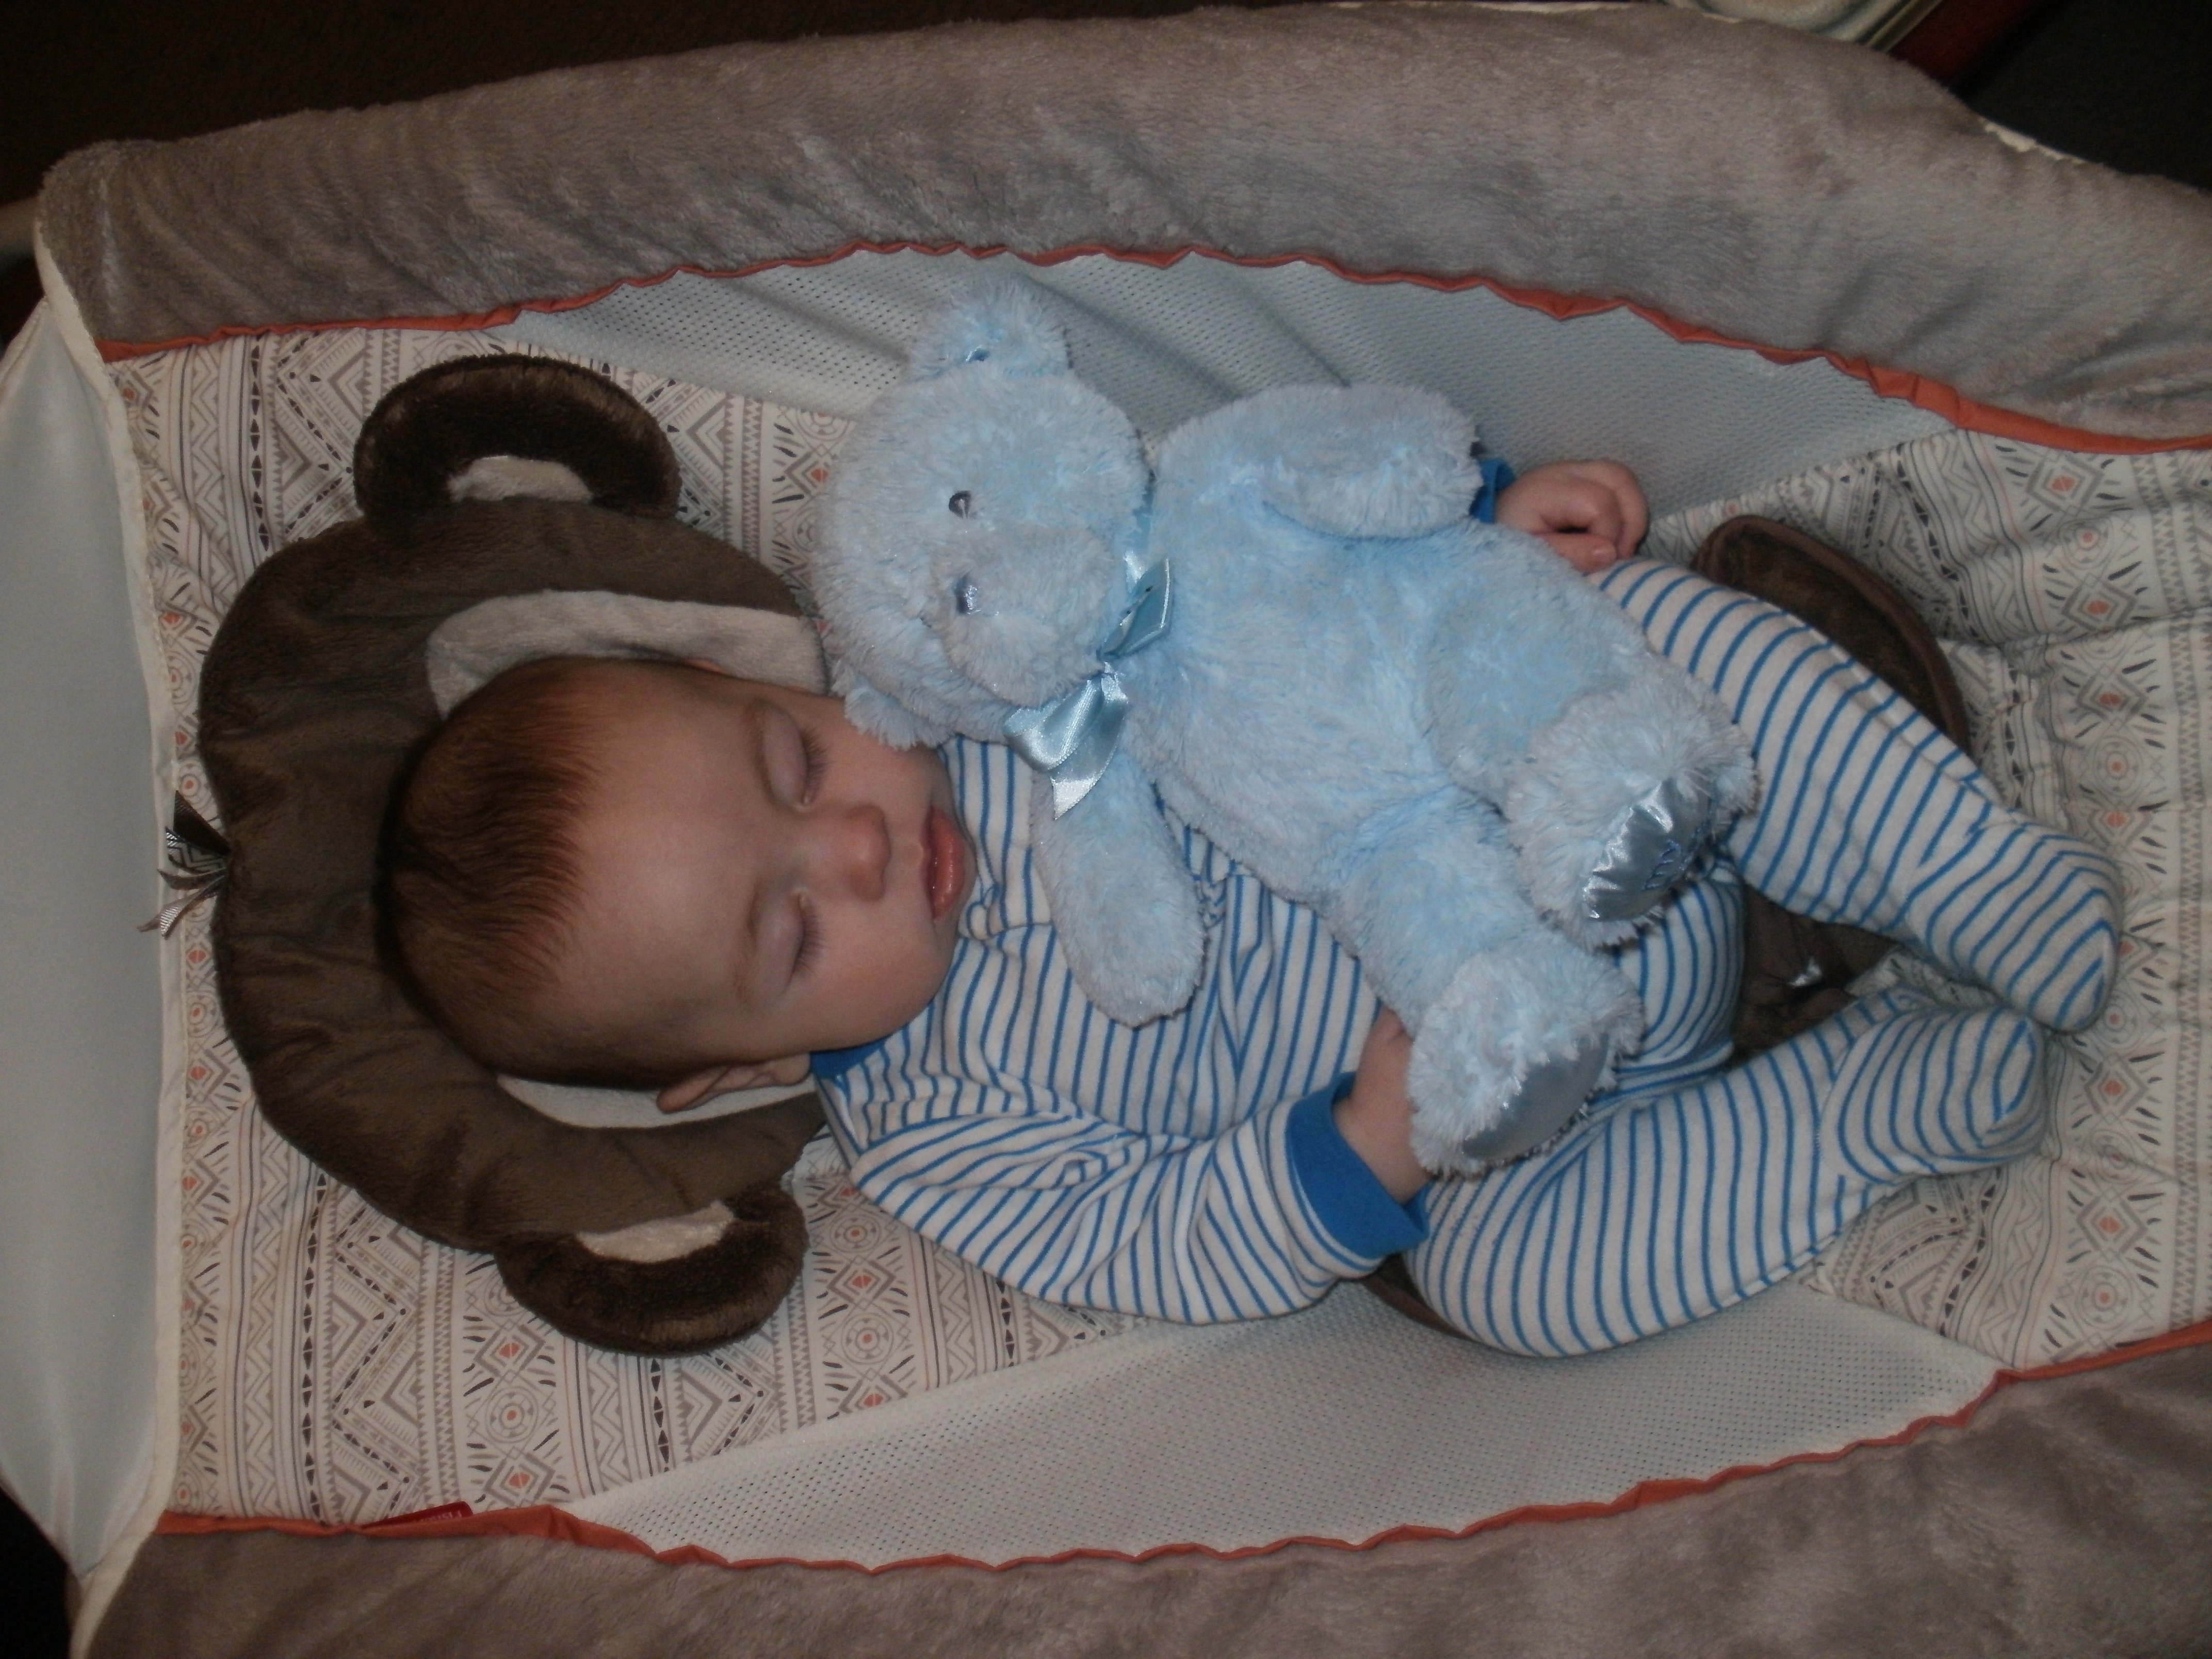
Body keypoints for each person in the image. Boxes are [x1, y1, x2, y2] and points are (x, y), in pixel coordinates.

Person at [386, 464, 2117, 1357]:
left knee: (1659, 635)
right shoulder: (934, 1139)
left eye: (790, 763)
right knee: (1513, 1293)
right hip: (1531, 1110)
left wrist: (1465, 543)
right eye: (789, 938)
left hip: (1567, 774)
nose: (850, 849)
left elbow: (1240, 567)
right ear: (737, 1068)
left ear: (748, 674)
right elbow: (1154, 1239)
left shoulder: (990, 659)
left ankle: (1965, 877)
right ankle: (1868, 1100)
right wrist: (1370, 1145)